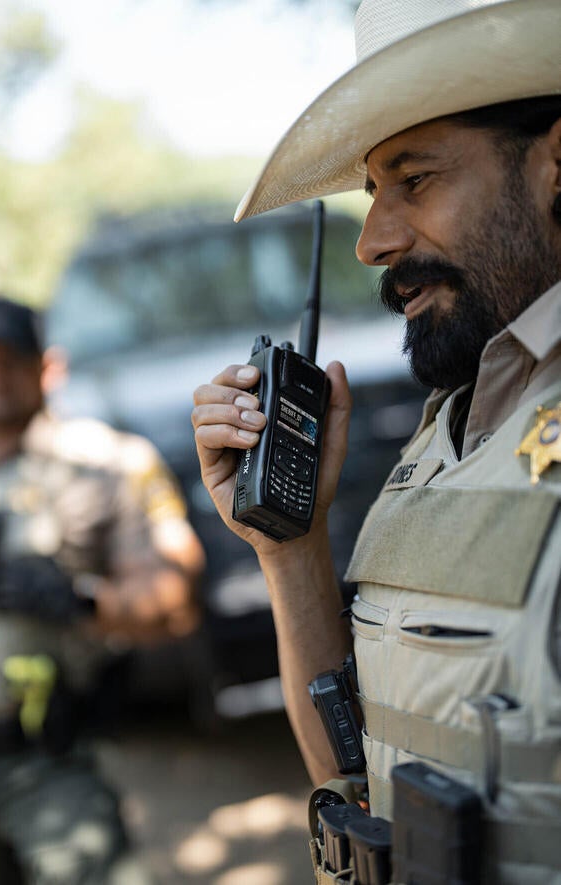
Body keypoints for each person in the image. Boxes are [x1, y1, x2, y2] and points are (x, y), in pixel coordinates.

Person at [191, 0, 561, 880]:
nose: (372, 240)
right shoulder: (452, 422)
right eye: (372, 192)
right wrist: (289, 545)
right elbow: (352, 783)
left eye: (417, 179)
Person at [0, 294, 205, 884]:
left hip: (49, 766)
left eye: (11, 359)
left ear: (48, 367)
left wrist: (81, 599)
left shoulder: (107, 461)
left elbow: (177, 593)